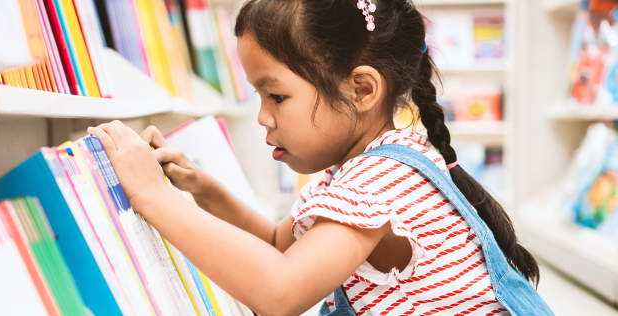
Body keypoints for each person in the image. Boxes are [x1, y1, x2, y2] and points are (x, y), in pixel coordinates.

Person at [88, 0, 553, 315]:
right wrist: (201, 188)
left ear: (362, 89)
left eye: (276, 96)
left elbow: (280, 291)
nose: (263, 118)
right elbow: (276, 244)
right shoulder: (374, 165)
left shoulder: (377, 181)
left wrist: (152, 196)